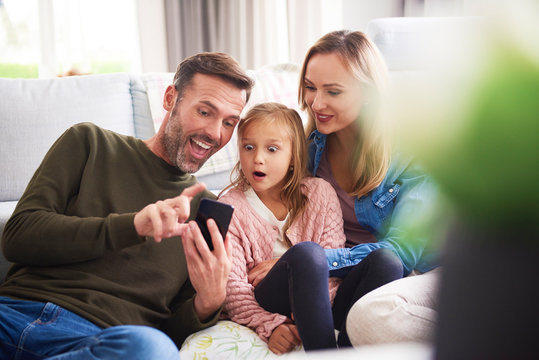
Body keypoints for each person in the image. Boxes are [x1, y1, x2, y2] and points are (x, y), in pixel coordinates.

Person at [0, 52, 254, 360]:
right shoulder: (89, 142)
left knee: (152, 349)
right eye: (204, 112)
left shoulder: (207, 210)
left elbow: (167, 334)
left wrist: (207, 303)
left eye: (229, 122)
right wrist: (133, 226)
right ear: (170, 98)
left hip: (98, 343)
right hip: (12, 314)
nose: (215, 133)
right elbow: (17, 239)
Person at [297, 30, 440, 346]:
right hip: (357, 277)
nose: (316, 102)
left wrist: (321, 260)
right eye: (310, 87)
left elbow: (404, 251)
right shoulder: (310, 146)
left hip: (421, 272)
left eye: (333, 91)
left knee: (386, 262)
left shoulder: (412, 150)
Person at [218, 102, 346, 354]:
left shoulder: (321, 194)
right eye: (248, 147)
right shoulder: (230, 207)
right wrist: (271, 325)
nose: (258, 158)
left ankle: (353, 345)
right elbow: (232, 288)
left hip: (320, 297)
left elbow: (335, 266)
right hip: (268, 298)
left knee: (385, 262)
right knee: (308, 253)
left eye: (272, 149)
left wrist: (309, 313)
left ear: (292, 157)